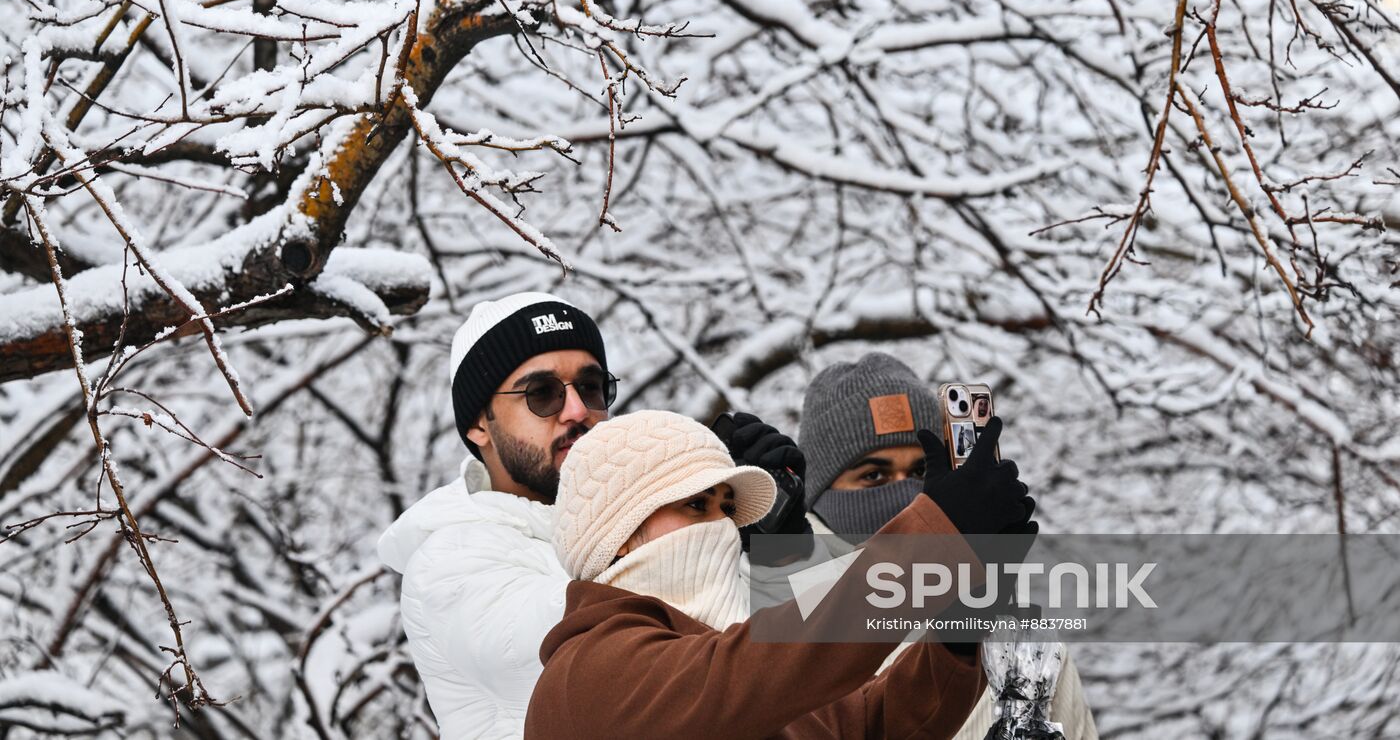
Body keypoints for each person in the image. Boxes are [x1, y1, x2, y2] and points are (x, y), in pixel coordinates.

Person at [376, 292, 805, 739]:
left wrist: (782, 544)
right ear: (478, 424)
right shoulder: (450, 558)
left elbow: (835, 653)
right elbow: (602, 649)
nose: (578, 411)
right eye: (541, 394)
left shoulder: (653, 525)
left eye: (591, 387)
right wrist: (687, 513)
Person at [524, 408, 1037, 740]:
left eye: (728, 508)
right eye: (697, 505)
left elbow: (873, 725)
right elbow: (772, 660)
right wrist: (936, 536)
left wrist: (963, 612)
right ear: (618, 533)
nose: (724, 529)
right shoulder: (588, 673)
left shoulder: (725, 674)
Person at [798, 352, 1099, 740]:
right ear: (820, 493)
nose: (906, 493)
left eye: (923, 471)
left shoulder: (1017, 632)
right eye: (875, 475)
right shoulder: (783, 612)